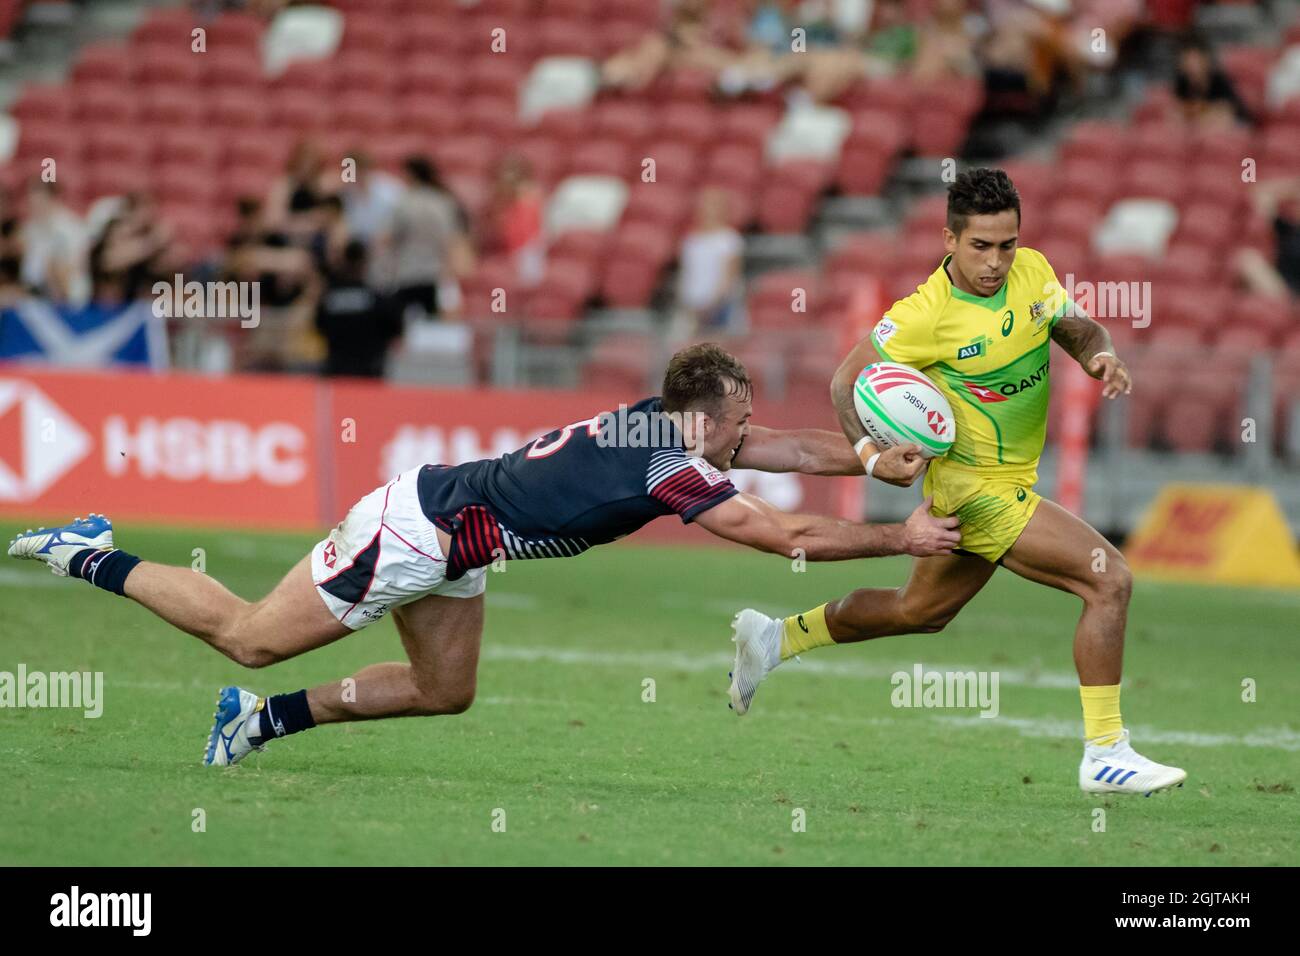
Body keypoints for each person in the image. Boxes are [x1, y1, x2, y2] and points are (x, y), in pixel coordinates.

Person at [8, 343, 959, 766]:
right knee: (250, 634)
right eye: (739, 417)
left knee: (445, 689)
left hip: (457, 542)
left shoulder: (665, 425)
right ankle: (95, 554)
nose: (751, 429)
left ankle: (256, 726)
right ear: (704, 417)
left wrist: (873, 455)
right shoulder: (666, 463)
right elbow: (786, 533)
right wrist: (902, 533)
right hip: (410, 532)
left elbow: (787, 446)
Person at [727, 169, 1188, 797]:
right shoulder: (925, 314)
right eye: (980, 246)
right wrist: (869, 453)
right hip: (973, 490)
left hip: (1010, 480)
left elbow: (1075, 326)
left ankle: (775, 638)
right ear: (949, 239)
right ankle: (1106, 752)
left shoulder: (1033, 271)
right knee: (1108, 578)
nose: (996, 262)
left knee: (919, 611)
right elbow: (845, 380)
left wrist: (1099, 354)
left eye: (1007, 245)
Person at [315, 238, 402, 377]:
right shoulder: (379, 300)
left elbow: (319, 327)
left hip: (336, 373)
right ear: (364, 263)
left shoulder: (329, 298)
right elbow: (395, 333)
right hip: (368, 376)